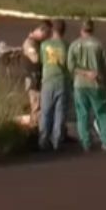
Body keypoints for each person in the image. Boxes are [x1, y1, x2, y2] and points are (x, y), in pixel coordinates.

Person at [67, 19, 106, 152]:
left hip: (79, 84)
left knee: (82, 114)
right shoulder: (100, 44)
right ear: (92, 29)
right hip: (97, 83)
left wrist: (84, 73)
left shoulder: (74, 45)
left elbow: (70, 66)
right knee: (102, 113)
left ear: (81, 29)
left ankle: (86, 142)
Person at [39, 19, 70, 151]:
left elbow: (42, 61)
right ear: (64, 30)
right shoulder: (67, 45)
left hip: (48, 80)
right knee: (60, 113)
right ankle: (57, 141)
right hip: (62, 80)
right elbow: (69, 64)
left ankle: (43, 140)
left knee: (45, 112)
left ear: (53, 29)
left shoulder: (44, 45)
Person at [22, 21, 51, 119]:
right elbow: (35, 58)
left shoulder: (39, 43)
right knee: (36, 106)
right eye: (47, 34)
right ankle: (35, 125)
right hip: (33, 80)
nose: (48, 37)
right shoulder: (29, 43)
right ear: (41, 31)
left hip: (39, 79)